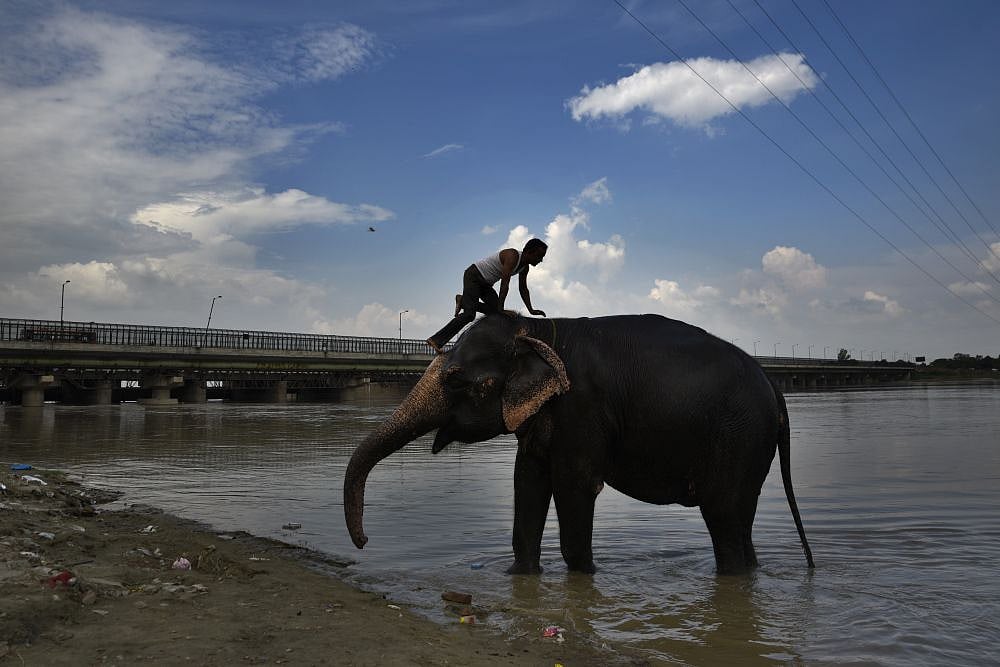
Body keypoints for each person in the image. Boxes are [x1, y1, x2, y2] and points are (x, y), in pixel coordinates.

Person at [426, 239, 548, 352]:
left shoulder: (524, 268)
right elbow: (504, 284)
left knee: (497, 314)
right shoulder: (512, 256)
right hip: (474, 276)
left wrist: (531, 309)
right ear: (530, 252)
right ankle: (436, 340)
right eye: (539, 256)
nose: (541, 260)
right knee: (469, 315)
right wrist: (501, 309)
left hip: (486, 284)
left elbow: (523, 289)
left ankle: (463, 301)